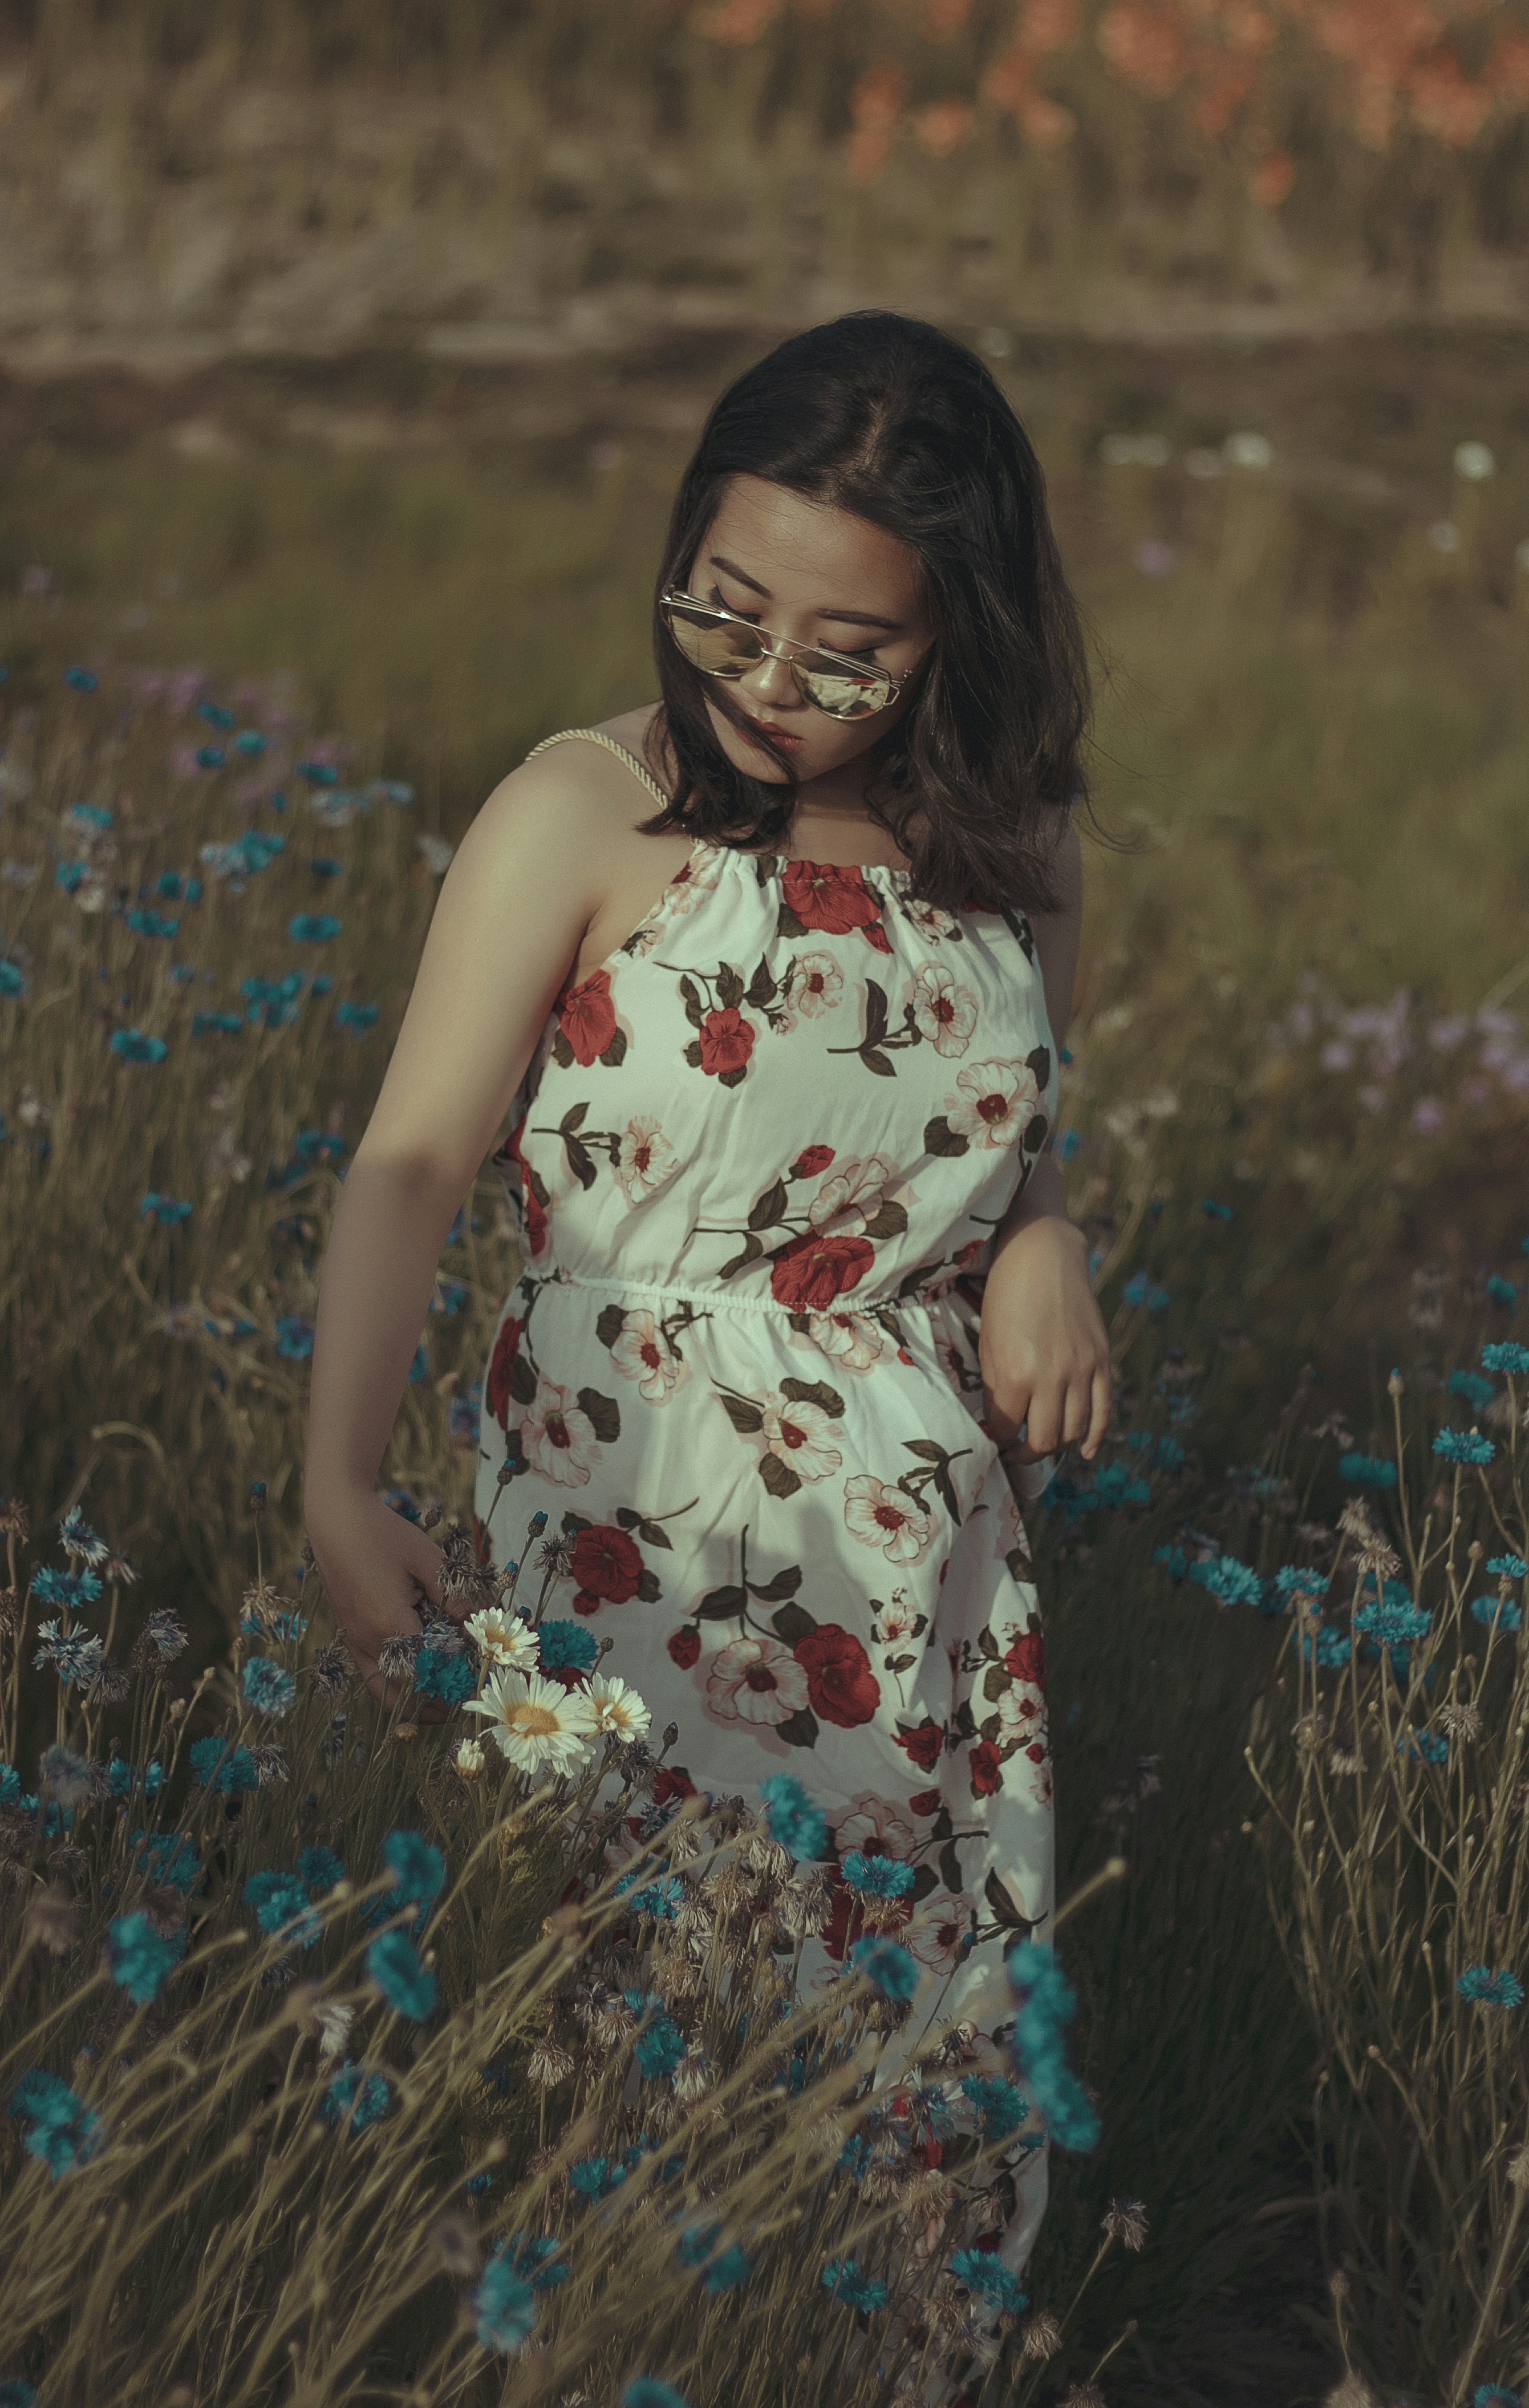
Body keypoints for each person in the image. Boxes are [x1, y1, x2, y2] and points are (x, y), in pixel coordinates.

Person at [303, 309, 1114, 2316]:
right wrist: (333, 1483)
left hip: (920, 1552)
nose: (766, 682)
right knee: (627, 2005)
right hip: (612, 1505)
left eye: (849, 652)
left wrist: (1039, 1243)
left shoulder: (1013, 846)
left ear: (962, 629)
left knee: (919, 2059)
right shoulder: (583, 808)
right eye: (723, 608)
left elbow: (1011, 1143)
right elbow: (413, 1159)